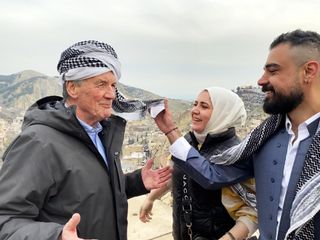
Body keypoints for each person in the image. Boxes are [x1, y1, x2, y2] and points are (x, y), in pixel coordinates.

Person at [154, 29, 320, 240]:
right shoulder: (264, 140)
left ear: (309, 71)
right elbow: (212, 175)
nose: (261, 81)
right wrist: (170, 130)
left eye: (273, 71)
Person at [0, 40, 171, 240]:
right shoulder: (38, 143)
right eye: (101, 84)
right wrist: (57, 237)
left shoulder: (100, 134)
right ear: (72, 88)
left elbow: (88, 191)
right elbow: (6, 220)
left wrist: (136, 182)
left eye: (113, 85)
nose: (111, 94)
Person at [140, 87, 258, 240]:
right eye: (195, 104)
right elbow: (174, 173)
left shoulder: (235, 154)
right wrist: (151, 198)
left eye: (204, 106)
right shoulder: (189, 141)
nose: (194, 110)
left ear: (223, 114)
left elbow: (253, 211)